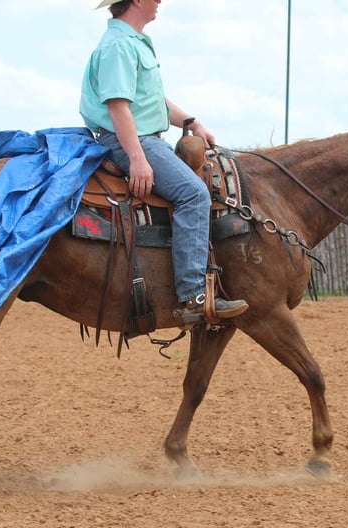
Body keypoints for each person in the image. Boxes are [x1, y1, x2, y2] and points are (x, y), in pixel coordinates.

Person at [79, 0, 248, 323]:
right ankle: (193, 295)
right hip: (131, 141)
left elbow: (152, 101)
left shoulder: (134, 42)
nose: (160, 1)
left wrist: (192, 123)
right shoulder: (118, 46)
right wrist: (137, 158)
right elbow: (118, 107)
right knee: (193, 194)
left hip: (144, 139)